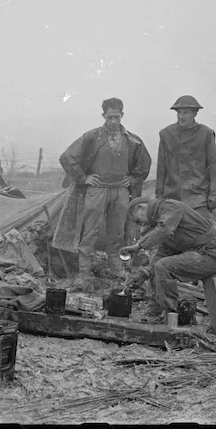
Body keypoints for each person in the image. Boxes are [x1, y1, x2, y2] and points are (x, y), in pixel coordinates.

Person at [53, 97, 151, 291]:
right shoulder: (91, 137)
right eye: (109, 117)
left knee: (117, 230)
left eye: (117, 117)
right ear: (103, 116)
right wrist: (83, 178)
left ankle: (115, 268)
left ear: (122, 115)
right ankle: (85, 271)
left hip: (120, 191)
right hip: (97, 189)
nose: (113, 121)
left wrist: (131, 180)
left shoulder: (132, 140)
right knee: (90, 229)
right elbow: (67, 157)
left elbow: (144, 164)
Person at [119, 197, 216, 317]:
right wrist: (144, 273)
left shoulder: (169, 207)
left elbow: (165, 230)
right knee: (156, 267)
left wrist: (139, 245)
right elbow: (163, 252)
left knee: (163, 266)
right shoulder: (163, 221)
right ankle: (155, 308)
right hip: (199, 253)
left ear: (141, 207)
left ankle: (171, 314)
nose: (142, 225)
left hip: (210, 254)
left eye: (139, 221)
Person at [155, 95, 216, 220]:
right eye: (179, 112)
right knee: (170, 235)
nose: (181, 116)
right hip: (172, 198)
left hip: (197, 199)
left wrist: (214, 194)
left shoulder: (206, 134)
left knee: (199, 235)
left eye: (185, 112)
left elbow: (213, 165)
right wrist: (158, 195)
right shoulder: (166, 134)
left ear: (195, 114)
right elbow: (161, 167)